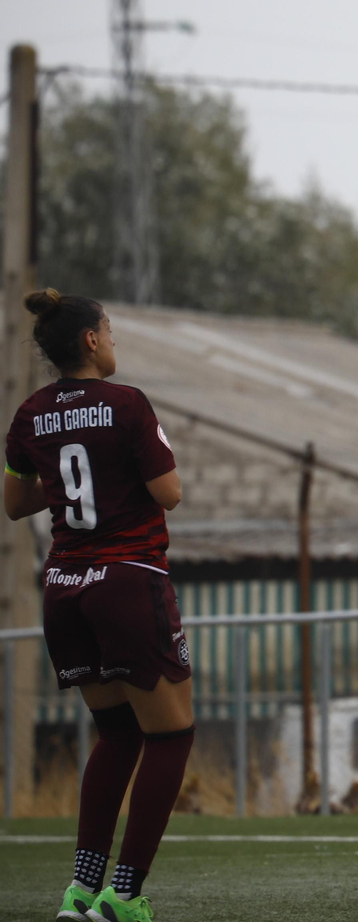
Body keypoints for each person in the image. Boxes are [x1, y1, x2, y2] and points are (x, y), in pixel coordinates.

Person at [4, 290, 189, 922]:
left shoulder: (29, 413)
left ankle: (81, 891)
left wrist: (64, 478)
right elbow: (169, 492)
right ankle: (124, 895)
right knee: (172, 735)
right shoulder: (127, 403)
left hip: (65, 586)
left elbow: (15, 503)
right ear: (90, 340)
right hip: (127, 581)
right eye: (109, 330)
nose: (113, 341)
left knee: (117, 732)